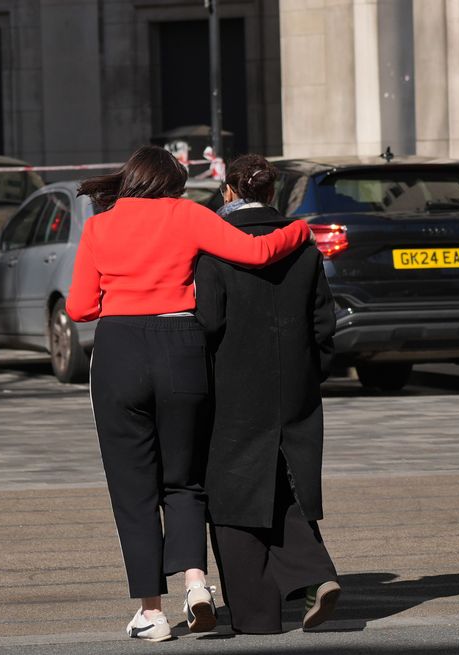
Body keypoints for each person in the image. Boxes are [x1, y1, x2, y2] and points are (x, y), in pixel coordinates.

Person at [65, 146, 312, 643]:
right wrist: (301, 229)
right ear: (172, 185)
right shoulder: (187, 214)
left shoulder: (100, 226)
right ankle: (197, 586)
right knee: (185, 479)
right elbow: (258, 252)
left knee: (133, 491)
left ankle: (151, 613)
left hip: (118, 353)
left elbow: (78, 308)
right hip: (180, 347)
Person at [195, 154, 340, 635]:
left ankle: (257, 617)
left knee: (232, 494)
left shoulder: (216, 244)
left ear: (229, 192)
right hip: (295, 380)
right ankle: (315, 573)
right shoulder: (301, 243)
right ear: (272, 193)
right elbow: (323, 319)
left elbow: (210, 320)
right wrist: (314, 369)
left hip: (233, 384)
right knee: (286, 482)